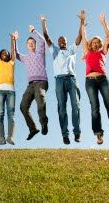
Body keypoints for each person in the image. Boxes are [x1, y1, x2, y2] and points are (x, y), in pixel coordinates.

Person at [41, 11, 85, 145]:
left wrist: (82, 22)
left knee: (75, 105)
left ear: (66, 42)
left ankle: (77, 133)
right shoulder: (54, 50)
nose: (62, 41)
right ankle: (65, 135)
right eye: (60, 40)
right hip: (59, 80)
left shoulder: (72, 49)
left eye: (64, 40)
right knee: (61, 107)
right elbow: (46, 36)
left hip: (71, 79)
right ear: (58, 42)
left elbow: (79, 37)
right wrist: (43, 23)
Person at [81, 13, 109, 145]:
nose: (94, 44)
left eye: (97, 42)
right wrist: (83, 23)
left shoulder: (103, 52)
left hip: (103, 79)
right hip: (90, 81)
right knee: (95, 107)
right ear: (90, 44)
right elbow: (83, 38)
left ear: (99, 44)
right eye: (92, 42)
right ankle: (98, 134)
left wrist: (104, 24)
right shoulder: (87, 53)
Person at [13, 25, 49, 141]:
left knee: (40, 102)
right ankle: (33, 129)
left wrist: (33, 31)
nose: (31, 44)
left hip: (41, 82)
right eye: (29, 43)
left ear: (35, 44)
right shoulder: (25, 58)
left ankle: (44, 124)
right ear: (26, 45)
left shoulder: (40, 53)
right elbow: (16, 54)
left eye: (32, 42)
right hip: (30, 85)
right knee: (23, 106)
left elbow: (42, 41)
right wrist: (14, 41)